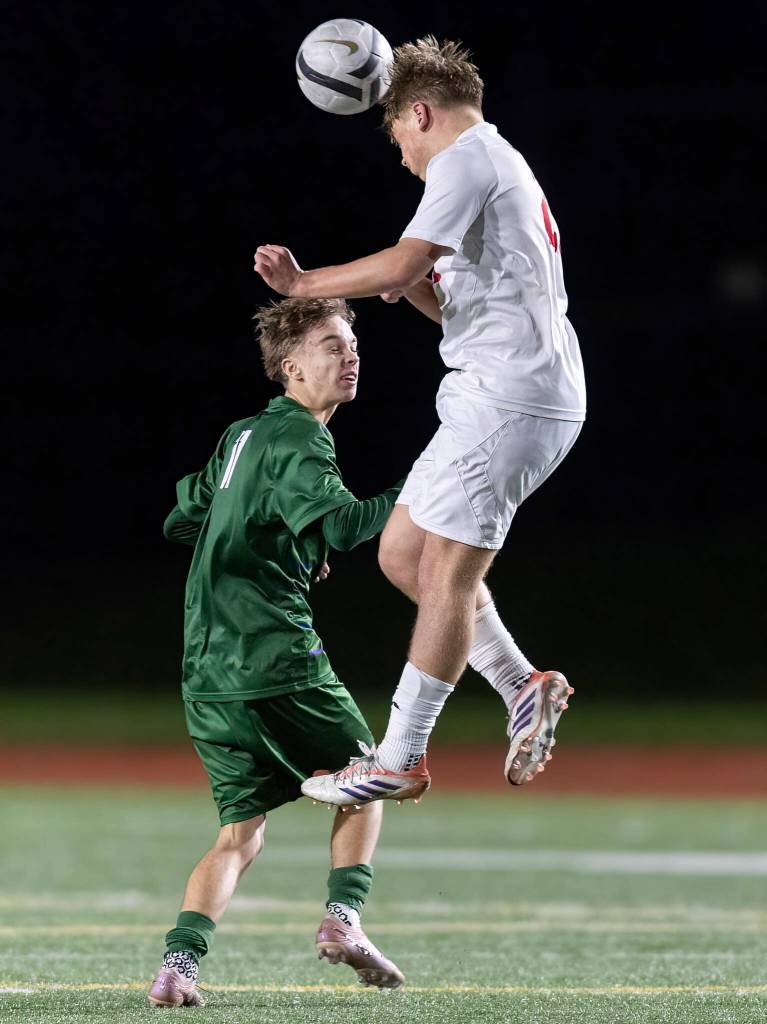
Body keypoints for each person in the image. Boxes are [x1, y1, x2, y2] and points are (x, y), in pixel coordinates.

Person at [253, 37, 585, 807]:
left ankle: (399, 756)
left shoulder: (465, 159)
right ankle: (521, 684)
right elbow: (434, 292)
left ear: (421, 113)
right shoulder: (492, 165)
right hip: (500, 388)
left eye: (398, 135)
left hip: (511, 394)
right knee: (403, 553)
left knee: (445, 573)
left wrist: (306, 283)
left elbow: (401, 265)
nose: (401, 155)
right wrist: (419, 292)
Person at [148, 297, 406, 1007]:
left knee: (239, 833)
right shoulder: (299, 438)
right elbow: (351, 526)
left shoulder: (241, 435)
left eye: (352, 343)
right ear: (292, 367)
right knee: (373, 775)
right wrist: (424, 486)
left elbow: (182, 519)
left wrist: (282, 543)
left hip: (206, 673)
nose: (349, 354)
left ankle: (177, 967)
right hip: (274, 657)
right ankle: (343, 921)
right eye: (331, 344)